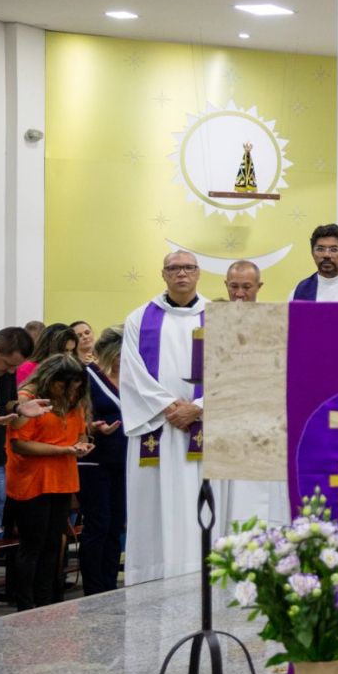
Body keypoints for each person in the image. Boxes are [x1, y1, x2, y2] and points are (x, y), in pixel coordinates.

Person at [120, 251, 207, 583]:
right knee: (153, 507)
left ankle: (198, 574)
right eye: (174, 268)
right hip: (157, 426)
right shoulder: (139, 319)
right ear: (163, 274)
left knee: (199, 499)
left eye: (187, 268)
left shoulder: (216, 316)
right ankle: (151, 576)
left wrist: (199, 406)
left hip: (201, 427)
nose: (181, 273)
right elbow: (131, 373)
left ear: (198, 273)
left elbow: (230, 370)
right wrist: (169, 406)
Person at [6, 354, 94, 610]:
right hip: (33, 481)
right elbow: (19, 444)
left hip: (63, 480)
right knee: (32, 545)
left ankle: (45, 602)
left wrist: (82, 445)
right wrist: (64, 450)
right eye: (64, 386)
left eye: (76, 387)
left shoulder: (74, 404)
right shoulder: (29, 402)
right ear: (50, 379)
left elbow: (78, 435)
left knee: (54, 543)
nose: (70, 392)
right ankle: (25, 605)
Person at [221, 265, 291, 526]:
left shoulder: (277, 322)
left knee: (264, 500)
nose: (239, 294)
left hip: (266, 425)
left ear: (259, 287)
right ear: (225, 285)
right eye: (234, 286)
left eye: (246, 287)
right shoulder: (210, 321)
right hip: (226, 427)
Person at [0, 327, 38, 607]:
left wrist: (21, 411)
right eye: (7, 365)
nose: (8, 372)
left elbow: (8, 405)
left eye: (14, 368)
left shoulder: (5, 375)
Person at [79, 327, 126, 594]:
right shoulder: (89, 376)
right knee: (99, 523)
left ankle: (109, 585)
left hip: (123, 458)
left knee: (117, 523)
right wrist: (92, 427)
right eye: (118, 355)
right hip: (94, 459)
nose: (122, 360)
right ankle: (94, 588)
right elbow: (73, 415)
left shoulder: (132, 378)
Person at [291, 224, 338, 301]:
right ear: (312, 253)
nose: (326, 255)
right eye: (320, 249)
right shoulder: (298, 292)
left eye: (333, 250)